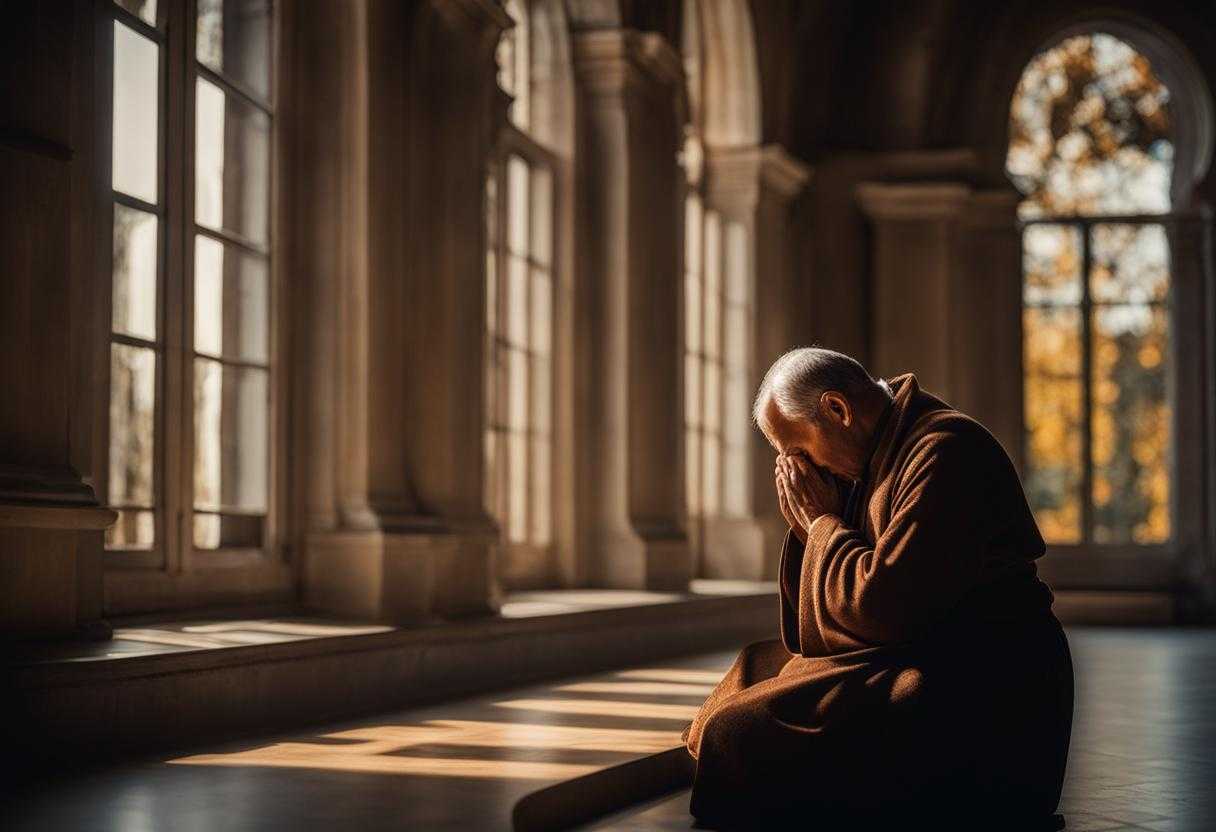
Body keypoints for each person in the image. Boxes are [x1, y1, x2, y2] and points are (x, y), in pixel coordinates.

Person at [682, 347, 1074, 828]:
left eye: (797, 451)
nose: (797, 468)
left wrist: (821, 522)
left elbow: (886, 610)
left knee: (737, 730)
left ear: (837, 410)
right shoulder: (872, 455)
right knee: (753, 670)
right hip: (907, 651)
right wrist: (812, 527)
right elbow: (825, 620)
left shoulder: (946, 450)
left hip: (984, 682)